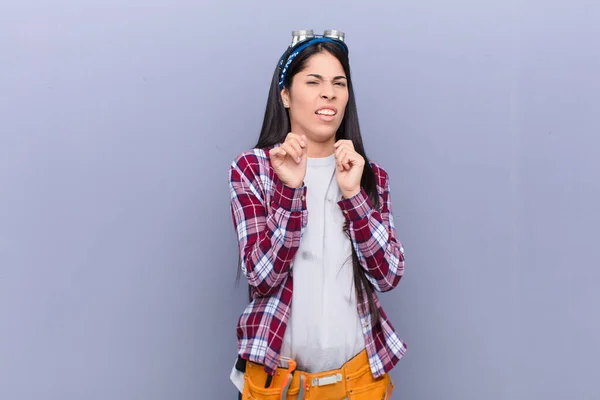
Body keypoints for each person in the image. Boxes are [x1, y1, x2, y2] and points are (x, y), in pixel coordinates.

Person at [228, 29, 406, 399]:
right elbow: (262, 276)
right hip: (280, 385)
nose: (329, 93)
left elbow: (388, 275)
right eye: (314, 81)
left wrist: (354, 195)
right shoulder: (254, 169)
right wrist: (291, 190)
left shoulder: (368, 175)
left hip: (359, 383)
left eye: (339, 83)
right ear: (286, 96)